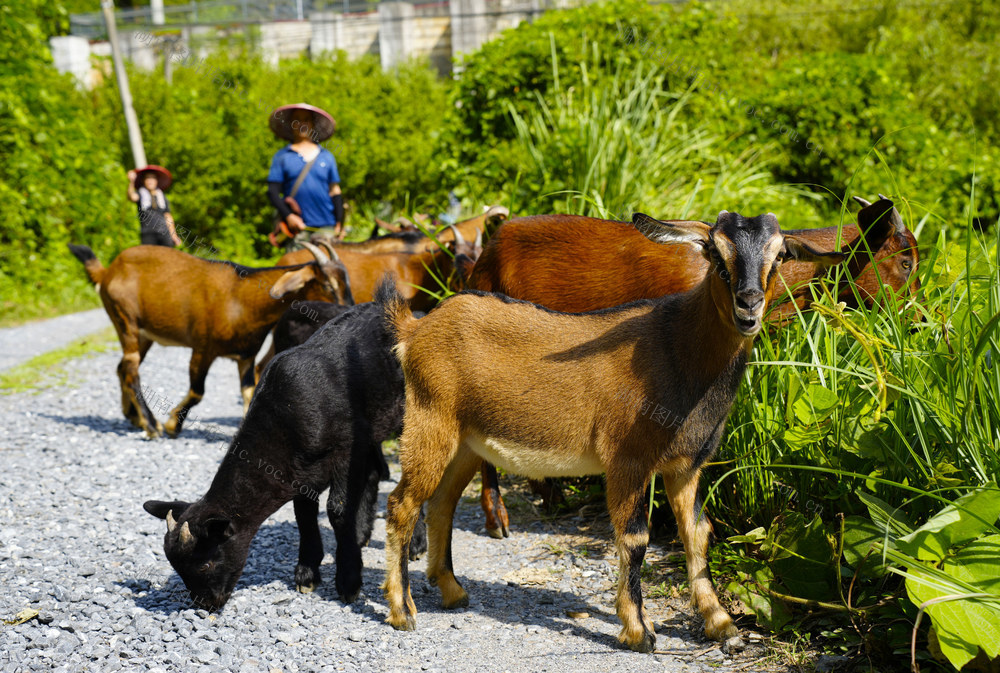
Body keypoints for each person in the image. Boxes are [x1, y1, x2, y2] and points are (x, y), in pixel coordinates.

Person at [266, 103, 343, 247]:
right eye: (297, 120)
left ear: (313, 124)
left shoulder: (327, 157)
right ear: (291, 124)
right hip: (297, 228)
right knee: (296, 262)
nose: (302, 124)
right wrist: (289, 216)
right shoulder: (282, 157)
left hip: (326, 226)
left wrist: (339, 222)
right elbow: (272, 192)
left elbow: (335, 190)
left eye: (306, 119)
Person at [127, 165, 181, 247]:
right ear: (144, 181)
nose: (150, 181)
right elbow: (131, 197)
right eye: (147, 178)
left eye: (152, 178)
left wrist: (174, 235)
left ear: (156, 181)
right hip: (147, 234)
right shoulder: (140, 193)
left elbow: (168, 216)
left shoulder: (162, 196)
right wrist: (131, 182)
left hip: (164, 233)